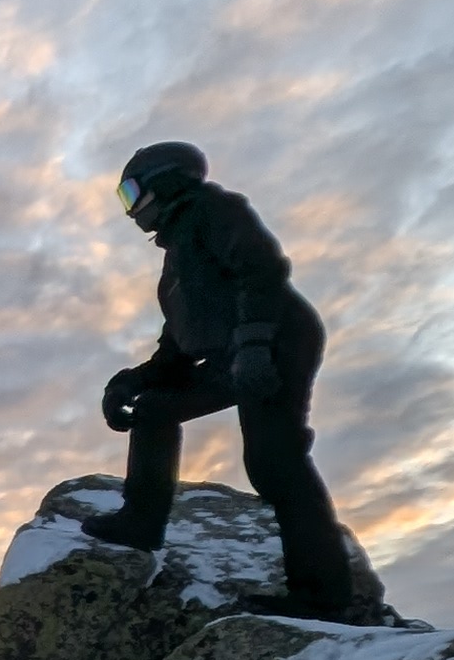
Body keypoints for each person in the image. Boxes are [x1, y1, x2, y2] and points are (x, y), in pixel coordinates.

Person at [82, 140, 361, 618]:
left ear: (166, 181)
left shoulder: (214, 210)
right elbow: (178, 344)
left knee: (276, 461)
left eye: (131, 192)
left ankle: (324, 598)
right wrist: (130, 382)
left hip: (277, 342)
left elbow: (260, 270)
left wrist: (254, 346)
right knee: (155, 407)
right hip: (236, 353)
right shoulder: (177, 260)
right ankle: (141, 524)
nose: (129, 210)